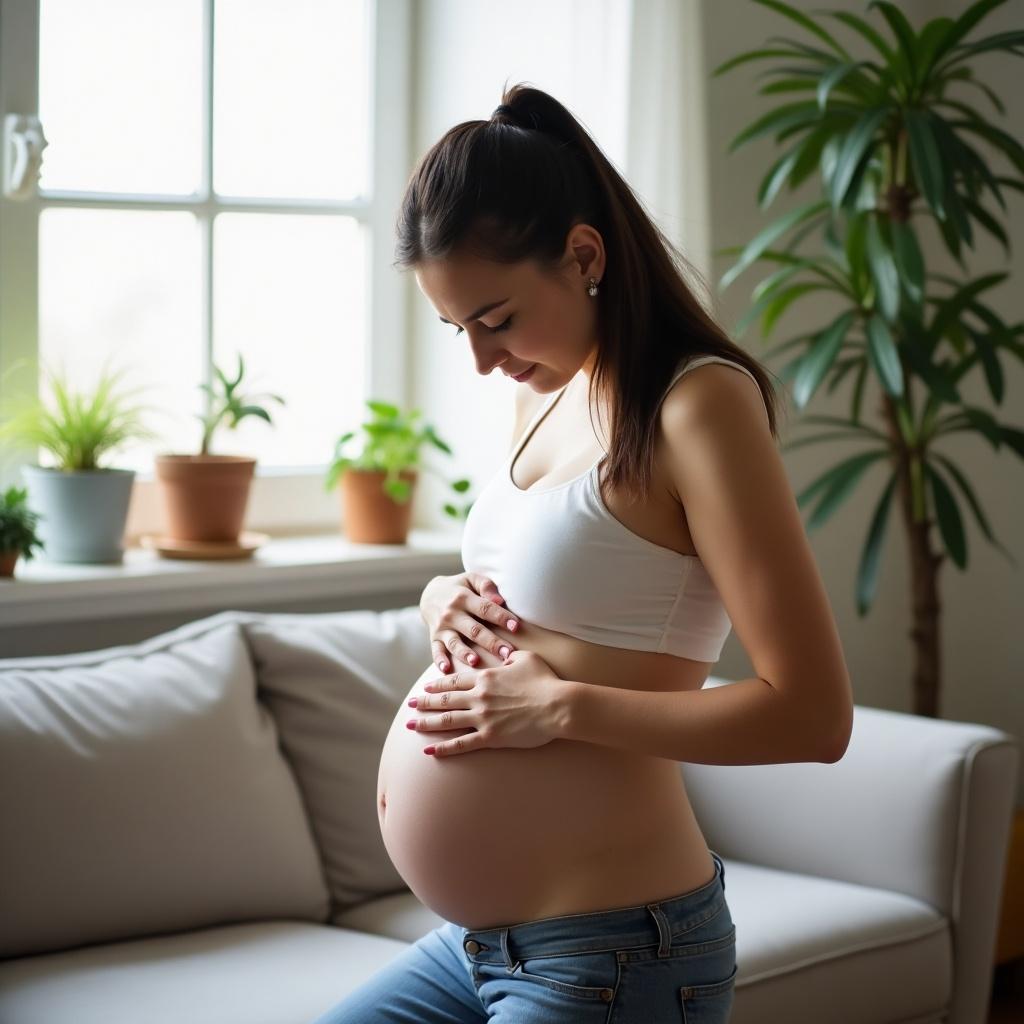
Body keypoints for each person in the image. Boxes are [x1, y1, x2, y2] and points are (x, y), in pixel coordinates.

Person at [311, 81, 853, 1024]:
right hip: (476, 949)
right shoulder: (545, 389)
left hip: (614, 953)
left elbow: (813, 717)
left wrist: (562, 708)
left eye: (497, 318)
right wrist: (443, 596)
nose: (482, 359)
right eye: (456, 329)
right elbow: (547, 580)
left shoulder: (697, 406)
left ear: (584, 255)